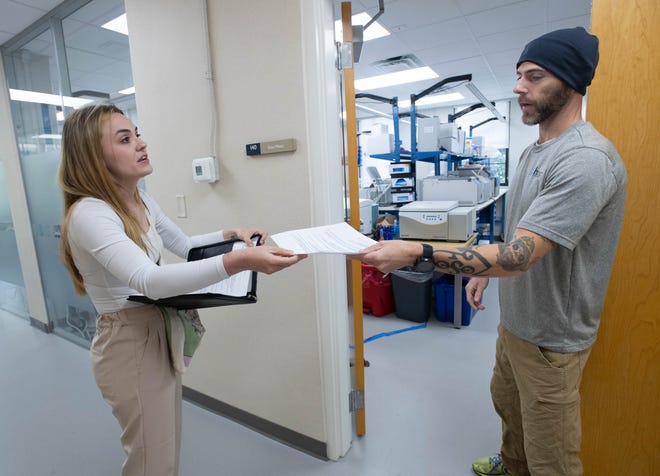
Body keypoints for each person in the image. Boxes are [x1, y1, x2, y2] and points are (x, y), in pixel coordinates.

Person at [357, 27, 626, 476]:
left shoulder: (585, 159)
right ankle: (511, 466)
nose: (520, 87)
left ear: (571, 83)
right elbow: (518, 237)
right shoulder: (536, 151)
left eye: (535, 76)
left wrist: (417, 252)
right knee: (510, 412)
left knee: (552, 456)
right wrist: (484, 270)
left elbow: (520, 255)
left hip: (550, 339)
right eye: (520, 75)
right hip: (516, 322)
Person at [57, 102, 305, 476]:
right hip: (128, 342)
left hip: (157, 330)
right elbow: (149, 281)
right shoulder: (91, 213)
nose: (141, 144)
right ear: (93, 156)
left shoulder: (137, 198)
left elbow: (185, 245)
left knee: (164, 451)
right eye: (125, 139)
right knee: (151, 461)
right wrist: (240, 261)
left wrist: (229, 235)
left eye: (137, 134)